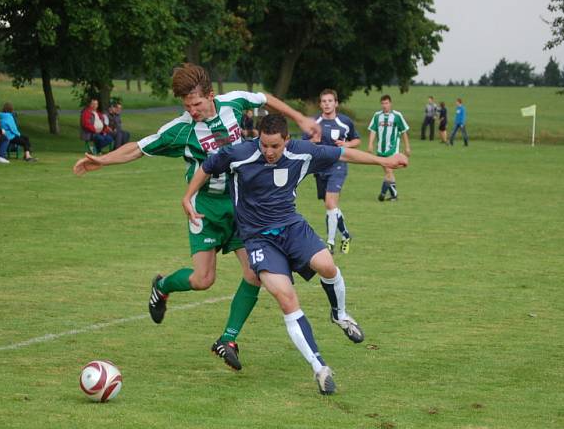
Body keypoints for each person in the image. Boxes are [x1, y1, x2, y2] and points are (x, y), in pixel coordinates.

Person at [73, 63, 320, 371]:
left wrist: (299, 118)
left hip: (243, 207)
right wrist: (102, 160)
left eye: (197, 104)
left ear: (210, 96)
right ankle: (162, 286)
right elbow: (138, 148)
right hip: (204, 207)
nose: (193, 110)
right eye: (187, 105)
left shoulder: (234, 102)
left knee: (254, 274)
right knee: (204, 280)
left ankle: (227, 339)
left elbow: (265, 98)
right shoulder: (182, 128)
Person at [182, 114, 408, 394]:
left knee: (327, 266)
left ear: (286, 140)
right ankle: (320, 368)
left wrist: (383, 161)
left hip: (292, 226)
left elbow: (344, 153)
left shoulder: (303, 152)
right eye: (264, 144)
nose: (268, 151)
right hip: (258, 238)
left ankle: (340, 315)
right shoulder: (240, 153)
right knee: (286, 298)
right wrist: (188, 196)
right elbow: (208, 165)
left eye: (275, 146)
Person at [302, 88, 360, 254]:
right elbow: (304, 142)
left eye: (330, 101)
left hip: (338, 165)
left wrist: (347, 145)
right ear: (320, 104)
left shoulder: (345, 122)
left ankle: (330, 243)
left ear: (336, 103)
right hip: (320, 168)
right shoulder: (314, 122)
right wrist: (313, 140)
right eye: (324, 101)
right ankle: (346, 234)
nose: (327, 104)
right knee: (331, 206)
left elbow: (356, 140)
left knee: (330, 203)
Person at [367, 94, 410, 202]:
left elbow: (404, 131)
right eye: (382, 103)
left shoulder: (397, 115)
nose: (384, 105)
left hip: (393, 148)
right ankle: (394, 195)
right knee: (388, 171)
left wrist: (407, 147)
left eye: (386, 103)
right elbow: (373, 130)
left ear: (390, 103)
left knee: (388, 170)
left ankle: (382, 193)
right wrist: (370, 144)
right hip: (381, 149)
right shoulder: (377, 116)